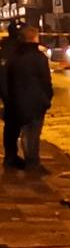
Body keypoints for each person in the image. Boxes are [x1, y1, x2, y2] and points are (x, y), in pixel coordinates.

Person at [5, 25, 53, 170]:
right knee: (33, 132)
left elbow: (8, 79)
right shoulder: (39, 58)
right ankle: (32, 162)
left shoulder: (14, 57)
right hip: (36, 101)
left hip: (17, 101)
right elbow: (46, 81)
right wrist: (47, 98)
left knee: (23, 131)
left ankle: (19, 159)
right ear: (34, 38)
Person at [1, 22, 22, 168]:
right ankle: (11, 157)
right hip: (13, 94)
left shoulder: (6, 47)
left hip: (10, 93)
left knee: (11, 126)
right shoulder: (13, 49)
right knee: (12, 127)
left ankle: (11, 155)